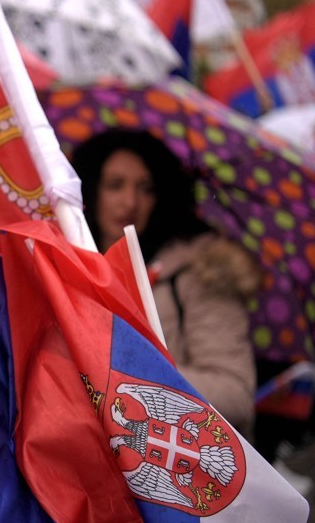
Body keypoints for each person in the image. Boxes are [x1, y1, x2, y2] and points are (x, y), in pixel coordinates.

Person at [72, 129, 259, 431]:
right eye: (115, 185)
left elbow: (235, 396)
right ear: (91, 190)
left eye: (146, 188)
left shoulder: (199, 273)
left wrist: (128, 369)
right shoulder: (67, 268)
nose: (130, 201)